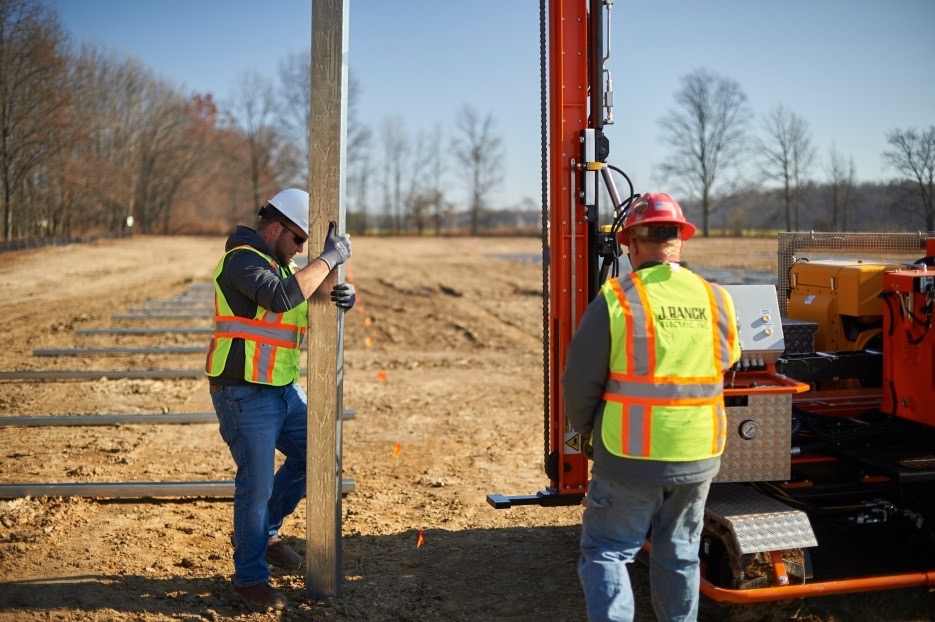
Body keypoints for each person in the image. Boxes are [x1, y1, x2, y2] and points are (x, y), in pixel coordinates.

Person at [563, 192, 740, 622]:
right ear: (679, 241)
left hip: (629, 455)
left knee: (607, 551)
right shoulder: (716, 298)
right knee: (679, 553)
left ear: (631, 244)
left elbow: (580, 382)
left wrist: (581, 432)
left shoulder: (617, 299)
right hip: (699, 452)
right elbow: (728, 361)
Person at [206, 188, 354, 611]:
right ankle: (249, 579)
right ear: (275, 227)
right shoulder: (241, 262)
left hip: (281, 389)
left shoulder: (278, 265)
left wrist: (341, 293)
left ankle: (265, 532)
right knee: (256, 485)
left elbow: (306, 306)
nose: (302, 250)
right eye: (299, 240)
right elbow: (280, 297)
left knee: (318, 455)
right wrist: (328, 259)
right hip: (242, 391)